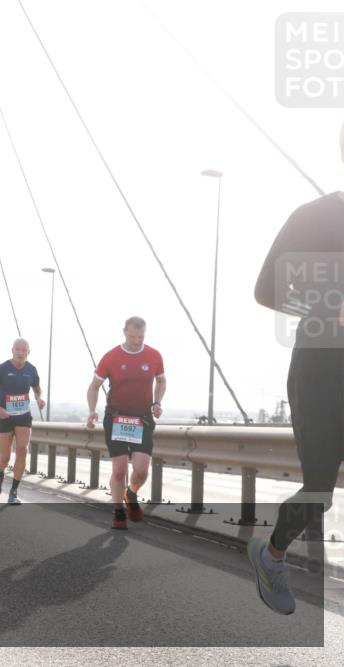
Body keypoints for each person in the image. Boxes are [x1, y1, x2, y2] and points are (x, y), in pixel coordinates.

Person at [247, 123, 344, 615]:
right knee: (320, 490)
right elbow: (267, 289)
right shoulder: (313, 216)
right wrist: (328, 307)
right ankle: (272, 555)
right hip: (321, 369)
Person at [85, 316, 166, 531]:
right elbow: (94, 386)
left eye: (141, 337)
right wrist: (92, 411)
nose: (137, 341)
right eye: (132, 337)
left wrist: (157, 402)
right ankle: (118, 511)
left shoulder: (154, 355)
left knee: (141, 470)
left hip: (142, 420)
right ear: (124, 332)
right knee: (119, 470)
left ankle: (131, 493)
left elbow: (161, 381)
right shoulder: (111, 356)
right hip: (117, 418)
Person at [0, 338, 45, 504]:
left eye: (23, 350)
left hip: (23, 416)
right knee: (4, 457)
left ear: (28, 352)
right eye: (17, 349)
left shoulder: (31, 369)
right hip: (5, 417)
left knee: (22, 451)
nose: (20, 353)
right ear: (12, 350)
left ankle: (13, 492)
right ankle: (0, 472)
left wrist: (39, 398)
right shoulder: (2, 369)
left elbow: (37, 388)